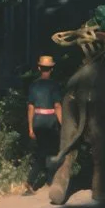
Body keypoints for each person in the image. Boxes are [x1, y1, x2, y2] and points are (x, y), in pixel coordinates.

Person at [25, 56, 63, 194]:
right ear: (52, 69)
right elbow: (57, 105)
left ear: (39, 68)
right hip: (51, 122)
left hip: (37, 122)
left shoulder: (33, 85)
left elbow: (30, 108)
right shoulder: (54, 85)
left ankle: (49, 179)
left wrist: (30, 128)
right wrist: (62, 123)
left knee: (43, 150)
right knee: (49, 152)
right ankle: (31, 181)